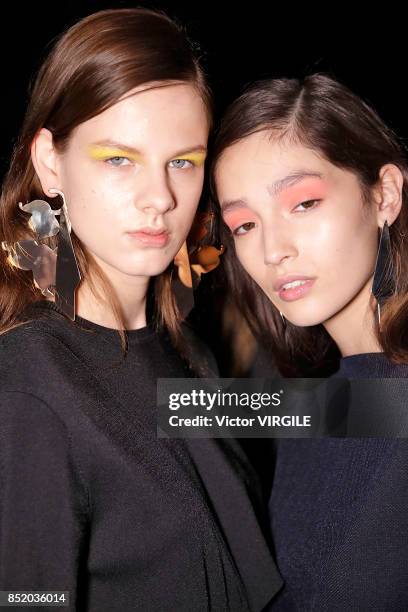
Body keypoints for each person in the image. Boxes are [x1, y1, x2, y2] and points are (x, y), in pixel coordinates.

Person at [0, 9, 281, 611]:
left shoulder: (185, 349)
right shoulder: (30, 386)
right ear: (51, 163)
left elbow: (315, 417)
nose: (160, 198)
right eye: (119, 158)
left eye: (183, 161)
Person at [211, 74, 408, 609]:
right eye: (245, 225)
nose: (273, 250)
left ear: (385, 194)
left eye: (303, 203)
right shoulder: (327, 406)